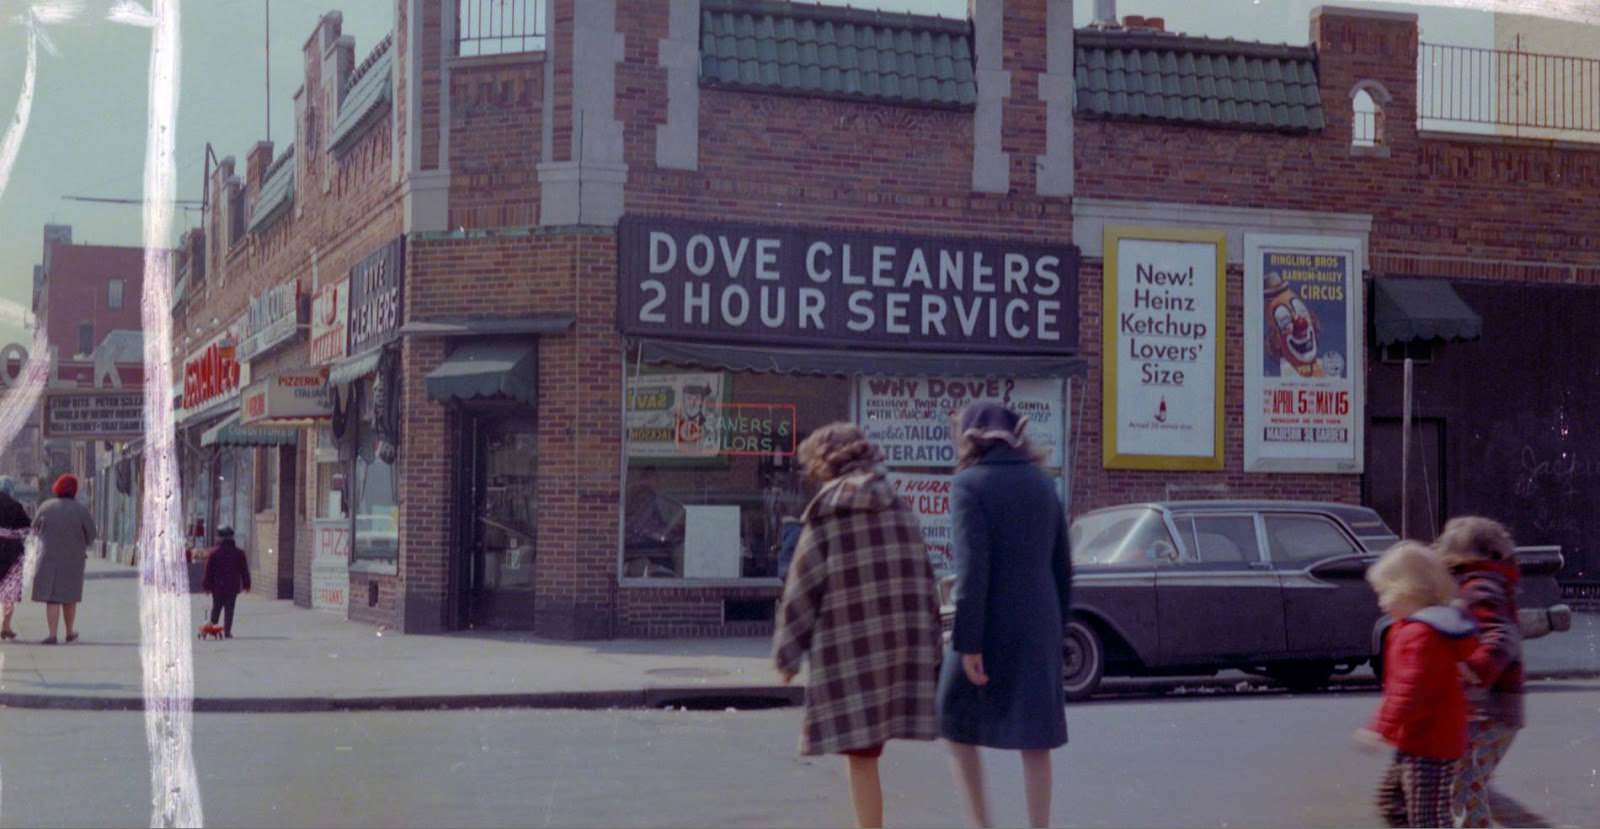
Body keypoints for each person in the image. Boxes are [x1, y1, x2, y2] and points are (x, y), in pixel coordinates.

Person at [772, 423, 942, 829]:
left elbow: (802, 589)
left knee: (860, 755)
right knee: (866, 753)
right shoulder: (898, 507)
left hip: (848, 649)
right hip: (897, 647)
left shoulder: (827, 513)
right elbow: (923, 579)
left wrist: (787, 656)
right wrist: (932, 648)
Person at [936, 402, 1071, 829]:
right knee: (1036, 737)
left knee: (954, 722)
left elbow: (973, 572)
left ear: (971, 439)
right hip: (1039, 622)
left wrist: (969, 643)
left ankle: (982, 826)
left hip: (989, 624)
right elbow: (1063, 566)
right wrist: (1058, 628)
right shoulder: (1042, 484)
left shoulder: (969, 485)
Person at [1355, 541, 1478, 828]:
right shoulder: (1420, 628)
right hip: (1417, 739)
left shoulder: (1422, 635)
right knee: (1393, 802)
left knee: (1428, 818)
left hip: (1430, 742)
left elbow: (1411, 690)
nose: (1380, 601)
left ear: (1407, 590)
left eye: (1384, 592)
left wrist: (1380, 728)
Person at [1431, 517, 1525, 827]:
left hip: (1487, 711)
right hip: (1494, 711)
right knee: (1472, 785)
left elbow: (1501, 635)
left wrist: (1475, 670)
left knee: (1468, 788)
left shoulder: (1478, 584)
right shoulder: (1487, 583)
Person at [30, 474, 96, 645]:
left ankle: (52, 634)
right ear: (74, 490)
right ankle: (69, 632)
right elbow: (91, 534)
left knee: (52, 597)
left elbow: (34, 530)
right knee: (69, 596)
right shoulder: (81, 510)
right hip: (73, 559)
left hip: (48, 558)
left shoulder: (45, 507)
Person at [200, 526, 251, 638]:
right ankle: (227, 631)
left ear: (219, 538)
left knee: (216, 607)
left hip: (217, 587)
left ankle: (213, 627)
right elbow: (244, 570)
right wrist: (247, 584)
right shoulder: (239, 553)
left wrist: (206, 586)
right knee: (229, 609)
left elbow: (208, 571)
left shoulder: (214, 554)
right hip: (232, 586)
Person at [0, 476, 32, 640]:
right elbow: (27, 527)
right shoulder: (15, 505)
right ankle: (5, 625)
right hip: (12, 552)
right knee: (9, 591)